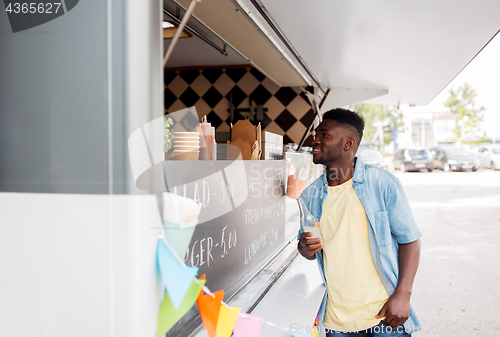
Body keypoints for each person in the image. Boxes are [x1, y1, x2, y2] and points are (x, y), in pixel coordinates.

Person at [298, 108, 422, 337]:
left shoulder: (383, 184)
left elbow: (410, 240)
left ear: (348, 143)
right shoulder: (309, 196)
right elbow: (307, 250)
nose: (314, 140)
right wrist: (304, 247)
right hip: (337, 320)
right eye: (316, 134)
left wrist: (403, 295)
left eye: (324, 135)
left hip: (385, 314)